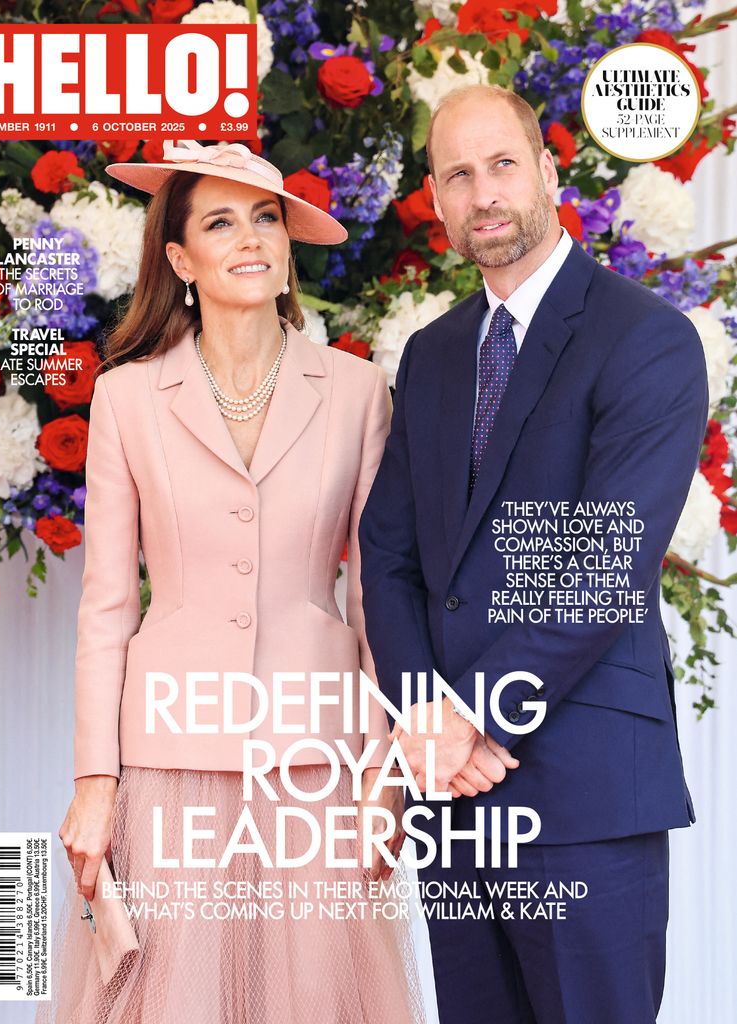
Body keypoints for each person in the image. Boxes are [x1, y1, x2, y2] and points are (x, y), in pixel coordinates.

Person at [38, 140, 425, 1024]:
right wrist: (94, 783)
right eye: (220, 221)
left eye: (265, 218)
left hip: (318, 762)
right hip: (168, 757)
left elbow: (376, 598)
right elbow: (105, 606)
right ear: (180, 259)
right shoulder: (127, 399)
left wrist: (383, 768)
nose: (250, 239)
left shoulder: (361, 392)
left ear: (287, 246)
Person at [359, 85, 709, 1024]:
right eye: (458, 175)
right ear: (434, 201)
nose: (484, 193)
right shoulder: (431, 358)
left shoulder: (645, 339)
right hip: (456, 797)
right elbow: (386, 553)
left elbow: (603, 561)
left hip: (583, 784)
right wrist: (427, 721)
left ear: (548, 171)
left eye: (502, 164)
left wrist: (472, 721)